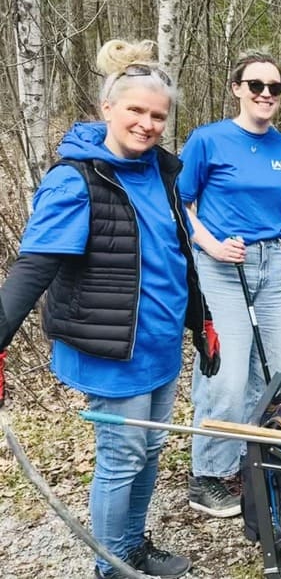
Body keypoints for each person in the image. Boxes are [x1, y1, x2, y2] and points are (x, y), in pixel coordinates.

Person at [0, 39, 218, 578]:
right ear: (107, 110)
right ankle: (112, 566)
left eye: (158, 115)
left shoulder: (162, 174)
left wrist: (202, 319)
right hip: (111, 350)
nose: (147, 124)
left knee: (150, 449)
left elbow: (176, 257)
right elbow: (34, 268)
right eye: (136, 111)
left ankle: (132, 547)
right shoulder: (75, 180)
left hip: (161, 344)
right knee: (122, 458)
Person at [178, 50, 281, 518]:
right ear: (237, 88)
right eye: (257, 86)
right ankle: (208, 474)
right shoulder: (207, 140)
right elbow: (181, 205)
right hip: (221, 267)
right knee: (227, 374)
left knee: (273, 372)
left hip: (274, 268)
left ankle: (251, 461)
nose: (266, 95)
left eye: (274, 88)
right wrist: (209, 244)